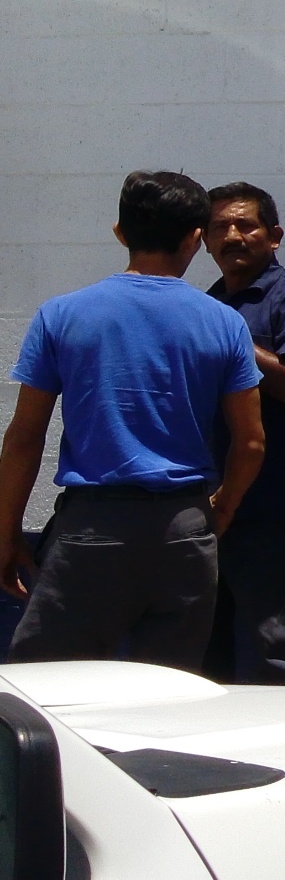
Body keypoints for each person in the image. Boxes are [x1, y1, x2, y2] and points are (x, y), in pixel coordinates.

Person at [0, 172, 263, 668]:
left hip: (92, 529)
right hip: (184, 529)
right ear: (195, 238)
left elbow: (24, 439)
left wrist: (6, 531)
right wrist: (222, 507)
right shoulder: (225, 323)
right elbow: (250, 443)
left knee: (49, 682)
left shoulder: (62, 315)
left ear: (120, 232)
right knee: (168, 687)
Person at [201, 182, 285, 685]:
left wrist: (230, 335)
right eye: (220, 227)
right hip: (202, 503)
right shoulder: (209, 303)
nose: (232, 236)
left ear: (274, 236)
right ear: (204, 240)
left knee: (280, 647)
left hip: (267, 508)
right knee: (199, 649)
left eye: (246, 225)